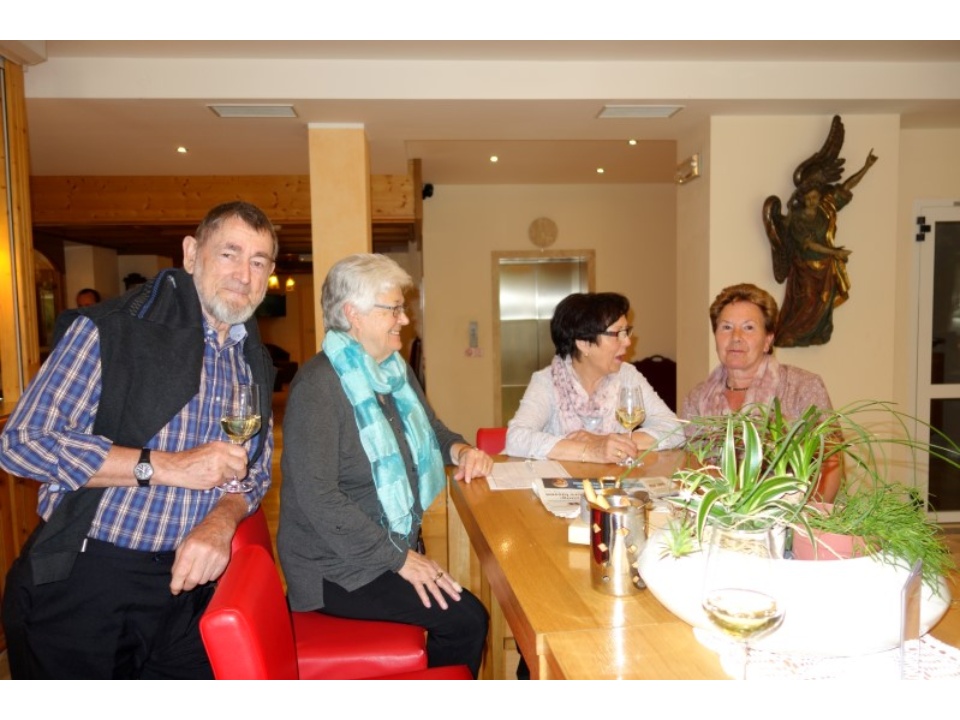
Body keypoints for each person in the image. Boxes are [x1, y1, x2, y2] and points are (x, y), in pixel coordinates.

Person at [0, 201, 278, 679]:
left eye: (258, 261)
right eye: (229, 253)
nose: (243, 275)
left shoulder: (251, 358)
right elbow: (21, 443)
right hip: (86, 583)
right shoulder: (109, 330)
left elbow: (256, 470)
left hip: (188, 589)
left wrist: (221, 520)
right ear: (190, 254)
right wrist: (167, 465)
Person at [277, 253, 491, 679]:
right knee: (467, 619)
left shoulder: (394, 372)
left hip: (382, 549)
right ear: (352, 314)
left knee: (462, 612)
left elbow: (432, 430)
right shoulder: (318, 388)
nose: (404, 319)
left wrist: (461, 450)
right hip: (334, 568)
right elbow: (320, 499)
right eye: (393, 309)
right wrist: (398, 559)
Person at [680, 282, 840, 501]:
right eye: (726, 327)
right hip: (719, 511)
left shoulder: (803, 386)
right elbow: (692, 465)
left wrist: (809, 515)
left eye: (748, 327)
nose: (736, 337)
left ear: (767, 340)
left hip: (792, 512)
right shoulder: (697, 398)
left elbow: (831, 462)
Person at [505, 292, 684, 464]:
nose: (627, 342)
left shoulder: (627, 375)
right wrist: (591, 451)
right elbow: (517, 438)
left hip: (614, 481)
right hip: (560, 481)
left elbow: (674, 430)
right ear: (584, 343)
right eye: (617, 334)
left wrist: (608, 441)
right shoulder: (547, 381)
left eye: (626, 332)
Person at [764, 115, 878, 347]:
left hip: (825, 268)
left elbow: (846, 187)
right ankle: (791, 334)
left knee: (824, 302)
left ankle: (818, 333)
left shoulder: (826, 209)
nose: (813, 201)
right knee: (806, 301)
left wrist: (866, 167)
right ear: (803, 198)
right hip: (806, 268)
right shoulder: (796, 219)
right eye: (809, 198)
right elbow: (809, 245)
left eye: (816, 197)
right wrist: (835, 253)